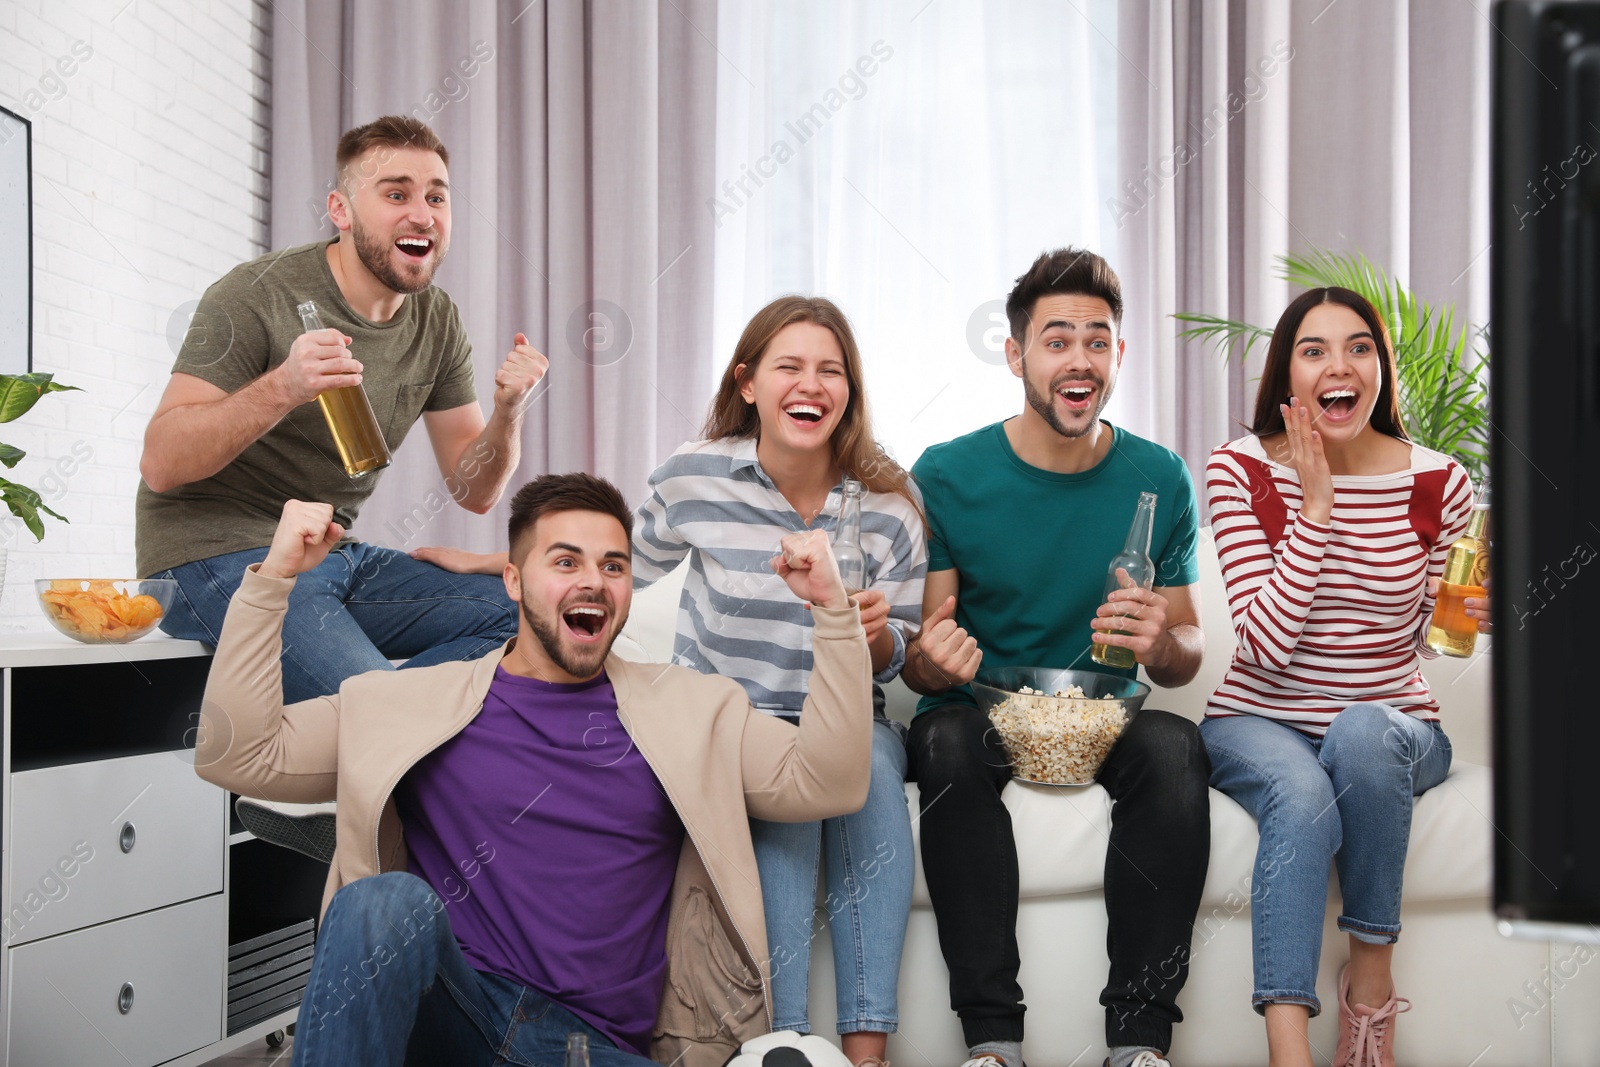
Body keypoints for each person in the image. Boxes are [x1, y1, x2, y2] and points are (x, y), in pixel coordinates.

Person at [193, 474, 875, 1067]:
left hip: (589, 1049)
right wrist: (275, 578)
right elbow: (238, 754)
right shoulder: (405, 701)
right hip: (452, 1021)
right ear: (513, 581)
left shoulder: (694, 708)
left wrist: (833, 613)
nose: (593, 581)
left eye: (614, 566)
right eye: (566, 560)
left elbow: (829, 780)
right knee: (380, 903)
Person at [902, 248, 1211, 1067]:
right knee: (942, 739)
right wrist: (935, 659)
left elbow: (1184, 652)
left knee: (1178, 747)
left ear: (1117, 355)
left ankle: (1138, 1044)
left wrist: (1163, 642)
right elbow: (918, 666)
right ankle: (993, 1042)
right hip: (983, 714)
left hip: (1104, 713)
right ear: (1016, 355)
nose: (1080, 359)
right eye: (1057, 339)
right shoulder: (948, 473)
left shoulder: (1159, 477)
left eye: (1098, 340)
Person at [136, 114, 546, 705]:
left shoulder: (437, 319)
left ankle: (365, 725)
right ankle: (372, 721)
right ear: (341, 209)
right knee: (377, 707)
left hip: (333, 555)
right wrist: (284, 386)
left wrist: (508, 413)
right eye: (396, 193)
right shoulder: (258, 293)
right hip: (213, 557)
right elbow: (161, 462)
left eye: (436, 196)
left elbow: (474, 489)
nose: (423, 214)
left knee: (530, 615)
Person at [631, 296, 925, 1067]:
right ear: (749, 382)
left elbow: (905, 649)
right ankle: (782, 1043)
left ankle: (864, 1055)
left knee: (865, 778)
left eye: (831, 370)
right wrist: (501, 565)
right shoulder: (693, 478)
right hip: (729, 716)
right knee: (801, 784)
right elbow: (613, 572)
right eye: (790, 366)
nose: (812, 384)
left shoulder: (888, 505)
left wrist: (879, 635)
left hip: (846, 719)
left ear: (850, 393)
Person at [1201, 288, 1487, 1067]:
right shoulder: (1243, 471)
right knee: (1299, 792)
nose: (1340, 365)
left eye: (1359, 347)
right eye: (1314, 348)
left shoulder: (1441, 483)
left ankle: (1370, 988)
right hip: (1259, 718)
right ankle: (1290, 1053)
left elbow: (1428, 640)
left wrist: (1467, 619)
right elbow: (1263, 644)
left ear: (1381, 368)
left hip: (1394, 727)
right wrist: (1317, 511)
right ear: (1288, 376)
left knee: (1362, 728)